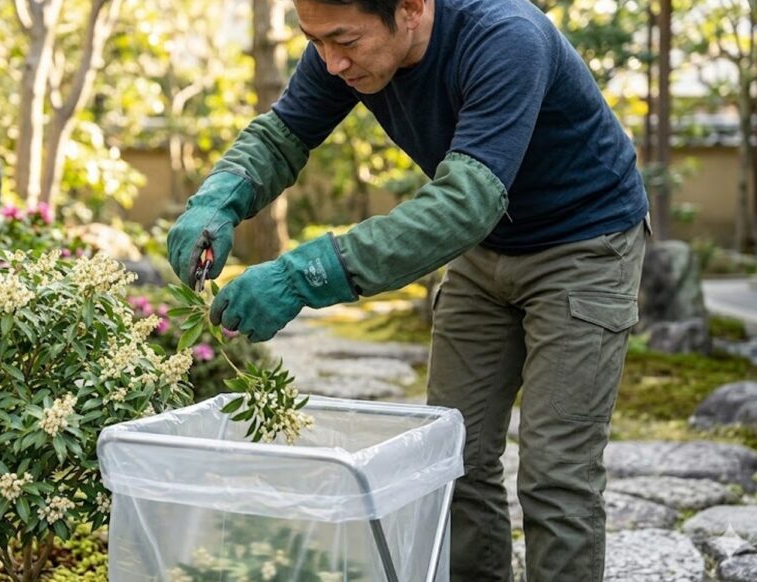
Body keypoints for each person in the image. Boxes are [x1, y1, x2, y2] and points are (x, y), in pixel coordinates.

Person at [167, 0, 649, 579]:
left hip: (585, 245)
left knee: (556, 476)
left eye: (343, 41)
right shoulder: (340, 50)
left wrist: (304, 275)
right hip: (485, 250)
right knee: (453, 458)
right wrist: (219, 195)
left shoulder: (505, 37)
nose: (331, 62)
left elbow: (465, 201)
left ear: (412, 8)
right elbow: (280, 135)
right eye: (314, 40)